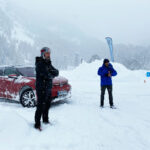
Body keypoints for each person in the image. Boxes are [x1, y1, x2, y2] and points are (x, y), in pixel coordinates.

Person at [34, 47, 59, 130]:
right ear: (43, 54)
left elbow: (56, 72)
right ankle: (37, 124)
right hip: (41, 88)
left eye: (49, 53)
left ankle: (45, 120)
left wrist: (51, 73)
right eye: (47, 53)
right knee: (40, 106)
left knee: (47, 105)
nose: (48, 55)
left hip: (48, 88)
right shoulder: (39, 63)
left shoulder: (48, 63)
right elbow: (47, 75)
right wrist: (51, 74)